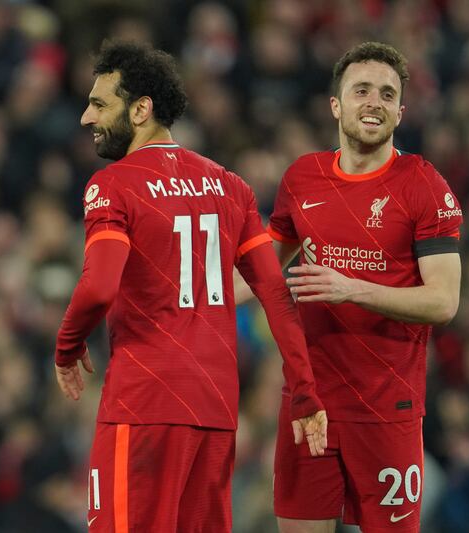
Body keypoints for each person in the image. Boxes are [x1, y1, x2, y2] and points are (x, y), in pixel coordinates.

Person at [53, 41, 327, 532]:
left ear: (140, 109)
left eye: (99, 104)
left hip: (144, 405)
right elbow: (275, 295)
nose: (85, 118)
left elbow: (98, 288)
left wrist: (67, 345)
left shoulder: (112, 185)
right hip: (216, 411)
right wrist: (305, 390)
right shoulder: (232, 187)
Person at [238, 42, 463, 532]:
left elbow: (444, 302)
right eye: (361, 90)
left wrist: (351, 288)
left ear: (401, 112)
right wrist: (181, 297)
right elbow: (261, 273)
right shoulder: (303, 177)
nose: (374, 102)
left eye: (387, 94)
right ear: (336, 105)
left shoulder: (425, 187)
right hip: (309, 401)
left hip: (386, 409)